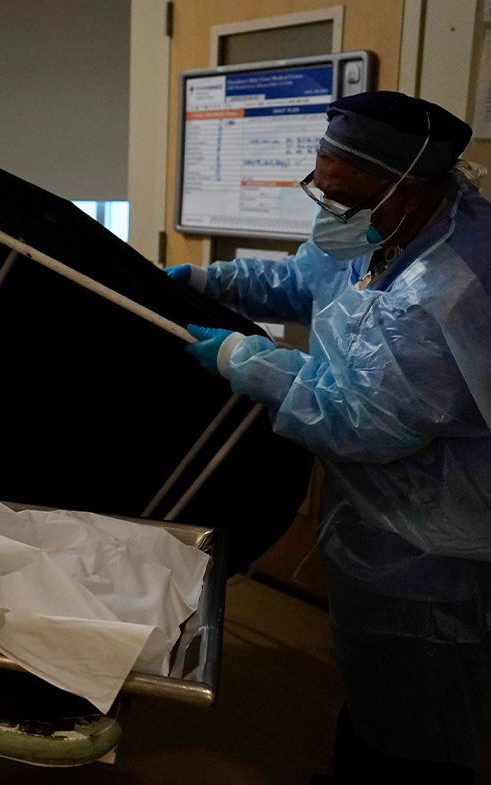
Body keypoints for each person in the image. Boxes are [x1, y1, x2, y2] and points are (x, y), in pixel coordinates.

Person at [168, 92, 491, 782]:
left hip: (430, 546)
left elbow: (365, 421)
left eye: (342, 195)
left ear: (411, 187)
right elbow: (299, 282)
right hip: (376, 516)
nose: (328, 208)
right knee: (373, 684)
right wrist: (206, 281)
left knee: (420, 712)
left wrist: (247, 363)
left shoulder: (452, 286)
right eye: (321, 185)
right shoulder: (383, 225)